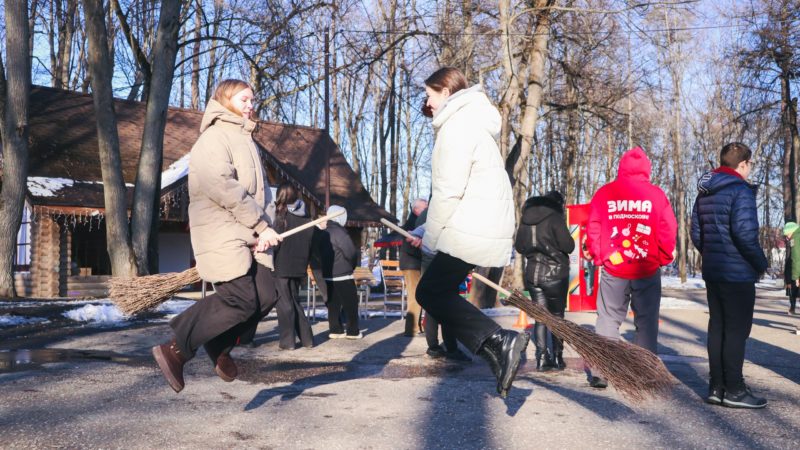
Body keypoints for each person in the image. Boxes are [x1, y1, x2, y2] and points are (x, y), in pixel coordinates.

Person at [151, 79, 281, 393]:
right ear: (224, 101)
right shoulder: (214, 138)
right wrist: (260, 227)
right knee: (241, 298)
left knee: (266, 295)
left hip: (248, 232)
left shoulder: (245, 139)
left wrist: (264, 229)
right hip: (220, 230)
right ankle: (176, 348)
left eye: (252, 99)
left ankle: (218, 345)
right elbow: (223, 186)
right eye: (244, 99)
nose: (251, 104)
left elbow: (264, 197)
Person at [410, 67, 527, 398]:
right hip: (482, 222)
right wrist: (426, 228)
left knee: (430, 293)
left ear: (446, 92)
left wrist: (430, 240)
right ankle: (496, 352)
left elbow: (448, 192)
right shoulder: (473, 123)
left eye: (430, 95)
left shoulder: (456, 127)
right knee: (440, 290)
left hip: (472, 223)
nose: (427, 102)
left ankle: (501, 341)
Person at [585, 146, 677, 389]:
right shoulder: (656, 195)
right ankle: (643, 373)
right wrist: (664, 256)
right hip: (646, 266)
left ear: (621, 168)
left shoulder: (606, 193)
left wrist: (600, 255)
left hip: (614, 267)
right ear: (646, 169)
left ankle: (601, 370)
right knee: (646, 322)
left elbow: (593, 227)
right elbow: (668, 229)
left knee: (608, 318)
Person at [691, 142, 769, 409]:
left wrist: (713, 253)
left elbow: (696, 234)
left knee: (718, 328)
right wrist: (760, 263)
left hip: (713, 270)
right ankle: (734, 389)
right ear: (743, 164)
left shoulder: (705, 191)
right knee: (736, 331)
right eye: (750, 165)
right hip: (737, 273)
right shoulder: (740, 190)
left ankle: (717, 386)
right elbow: (745, 234)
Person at [514, 190, 575, 371]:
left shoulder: (526, 218)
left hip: (533, 275)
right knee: (557, 317)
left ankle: (541, 358)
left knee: (540, 317)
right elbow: (569, 246)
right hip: (556, 275)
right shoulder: (555, 218)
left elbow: (519, 247)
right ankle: (557, 356)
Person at [272, 183, 315, 349]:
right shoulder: (306, 218)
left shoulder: (281, 217)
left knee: (285, 304)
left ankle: (288, 341)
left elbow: (274, 243)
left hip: (281, 266)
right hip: (298, 266)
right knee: (295, 302)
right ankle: (307, 339)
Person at [318, 205, 362, 339]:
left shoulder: (323, 232)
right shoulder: (340, 232)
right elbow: (351, 253)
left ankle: (335, 329)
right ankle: (353, 331)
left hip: (328, 274)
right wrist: (352, 266)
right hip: (343, 274)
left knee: (333, 304)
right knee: (351, 303)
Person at [400, 198, 427, 336]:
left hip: (414, 264)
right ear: (416, 209)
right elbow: (413, 247)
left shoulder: (416, 223)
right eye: (424, 208)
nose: (427, 211)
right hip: (412, 265)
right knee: (414, 296)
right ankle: (411, 329)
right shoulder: (414, 224)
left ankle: (416, 327)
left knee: (418, 295)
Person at [784, 222, 799, 316]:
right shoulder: (796, 237)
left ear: (791, 231)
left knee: (794, 291)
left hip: (797, 272)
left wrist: (796, 277)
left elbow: (797, 259)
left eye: (787, 235)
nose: (786, 238)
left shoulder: (796, 239)